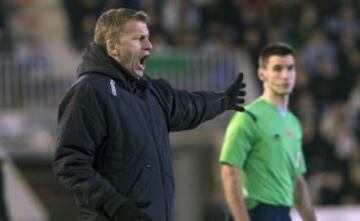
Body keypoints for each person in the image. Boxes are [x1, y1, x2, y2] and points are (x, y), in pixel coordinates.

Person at [53, 8, 246, 221]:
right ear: (112, 47)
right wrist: (116, 206)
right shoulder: (89, 91)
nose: (149, 45)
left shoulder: (148, 90)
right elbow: (70, 163)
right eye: (139, 38)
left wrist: (222, 101)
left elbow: (187, 106)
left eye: (148, 38)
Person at [219, 42, 317, 221]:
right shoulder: (248, 117)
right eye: (277, 69)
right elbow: (229, 172)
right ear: (262, 74)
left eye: (290, 68)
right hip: (256, 211)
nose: (285, 75)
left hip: (282, 213)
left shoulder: (293, 123)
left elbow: (297, 181)